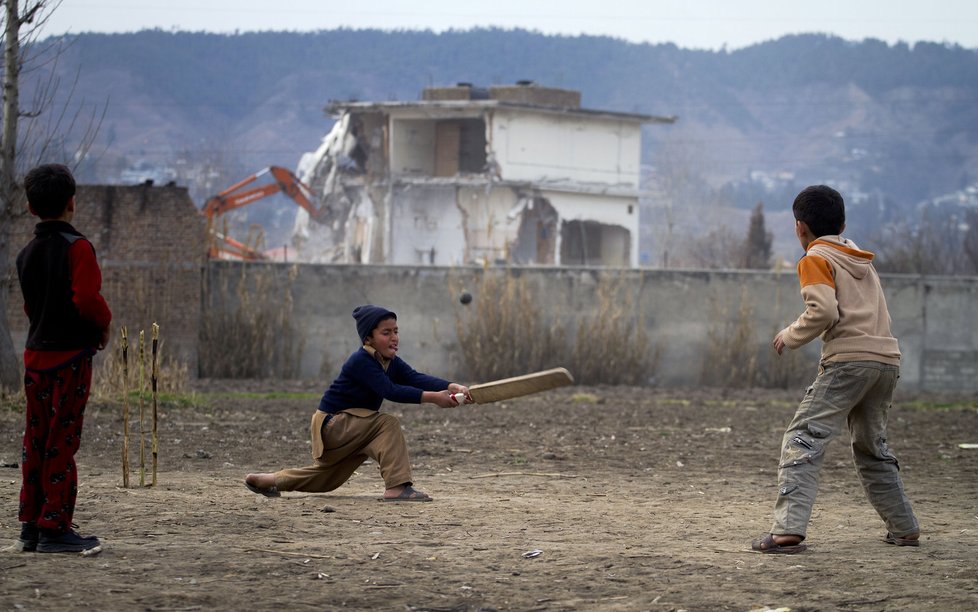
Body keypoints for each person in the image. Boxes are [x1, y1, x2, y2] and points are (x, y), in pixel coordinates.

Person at [751, 185, 919, 554]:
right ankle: (904, 528)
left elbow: (824, 312)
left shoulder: (815, 258)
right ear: (842, 223)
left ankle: (787, 531)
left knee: (803, 437)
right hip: (886, 362)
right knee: (872, 446)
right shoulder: (861, 259)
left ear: (799, 228)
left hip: (848, 362)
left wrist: (790, 335)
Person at [245, 304, 471, 502]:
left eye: (396, 331)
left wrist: (451, 386)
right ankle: (396, 487)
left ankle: (268, 480)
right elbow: (389, 390)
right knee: (387, 424)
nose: (394, 337)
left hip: (350, 427)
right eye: (386, 332)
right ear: (368, 339)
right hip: (332, 425)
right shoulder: (361, 360)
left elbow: (415, 378)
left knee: (327, 478)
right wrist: (433, 398)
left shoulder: (389, 361)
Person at [14, 164, 112, 553]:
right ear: (72, 203)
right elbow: (87, 300)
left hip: (35, 358)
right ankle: (55, 526)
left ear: (29, 207)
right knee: (61, 442)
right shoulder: (79, 248)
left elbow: (29, 308)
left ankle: (30, 525)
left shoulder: (25, 254)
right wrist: (103, 326)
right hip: (69, 359)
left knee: (35, 441)